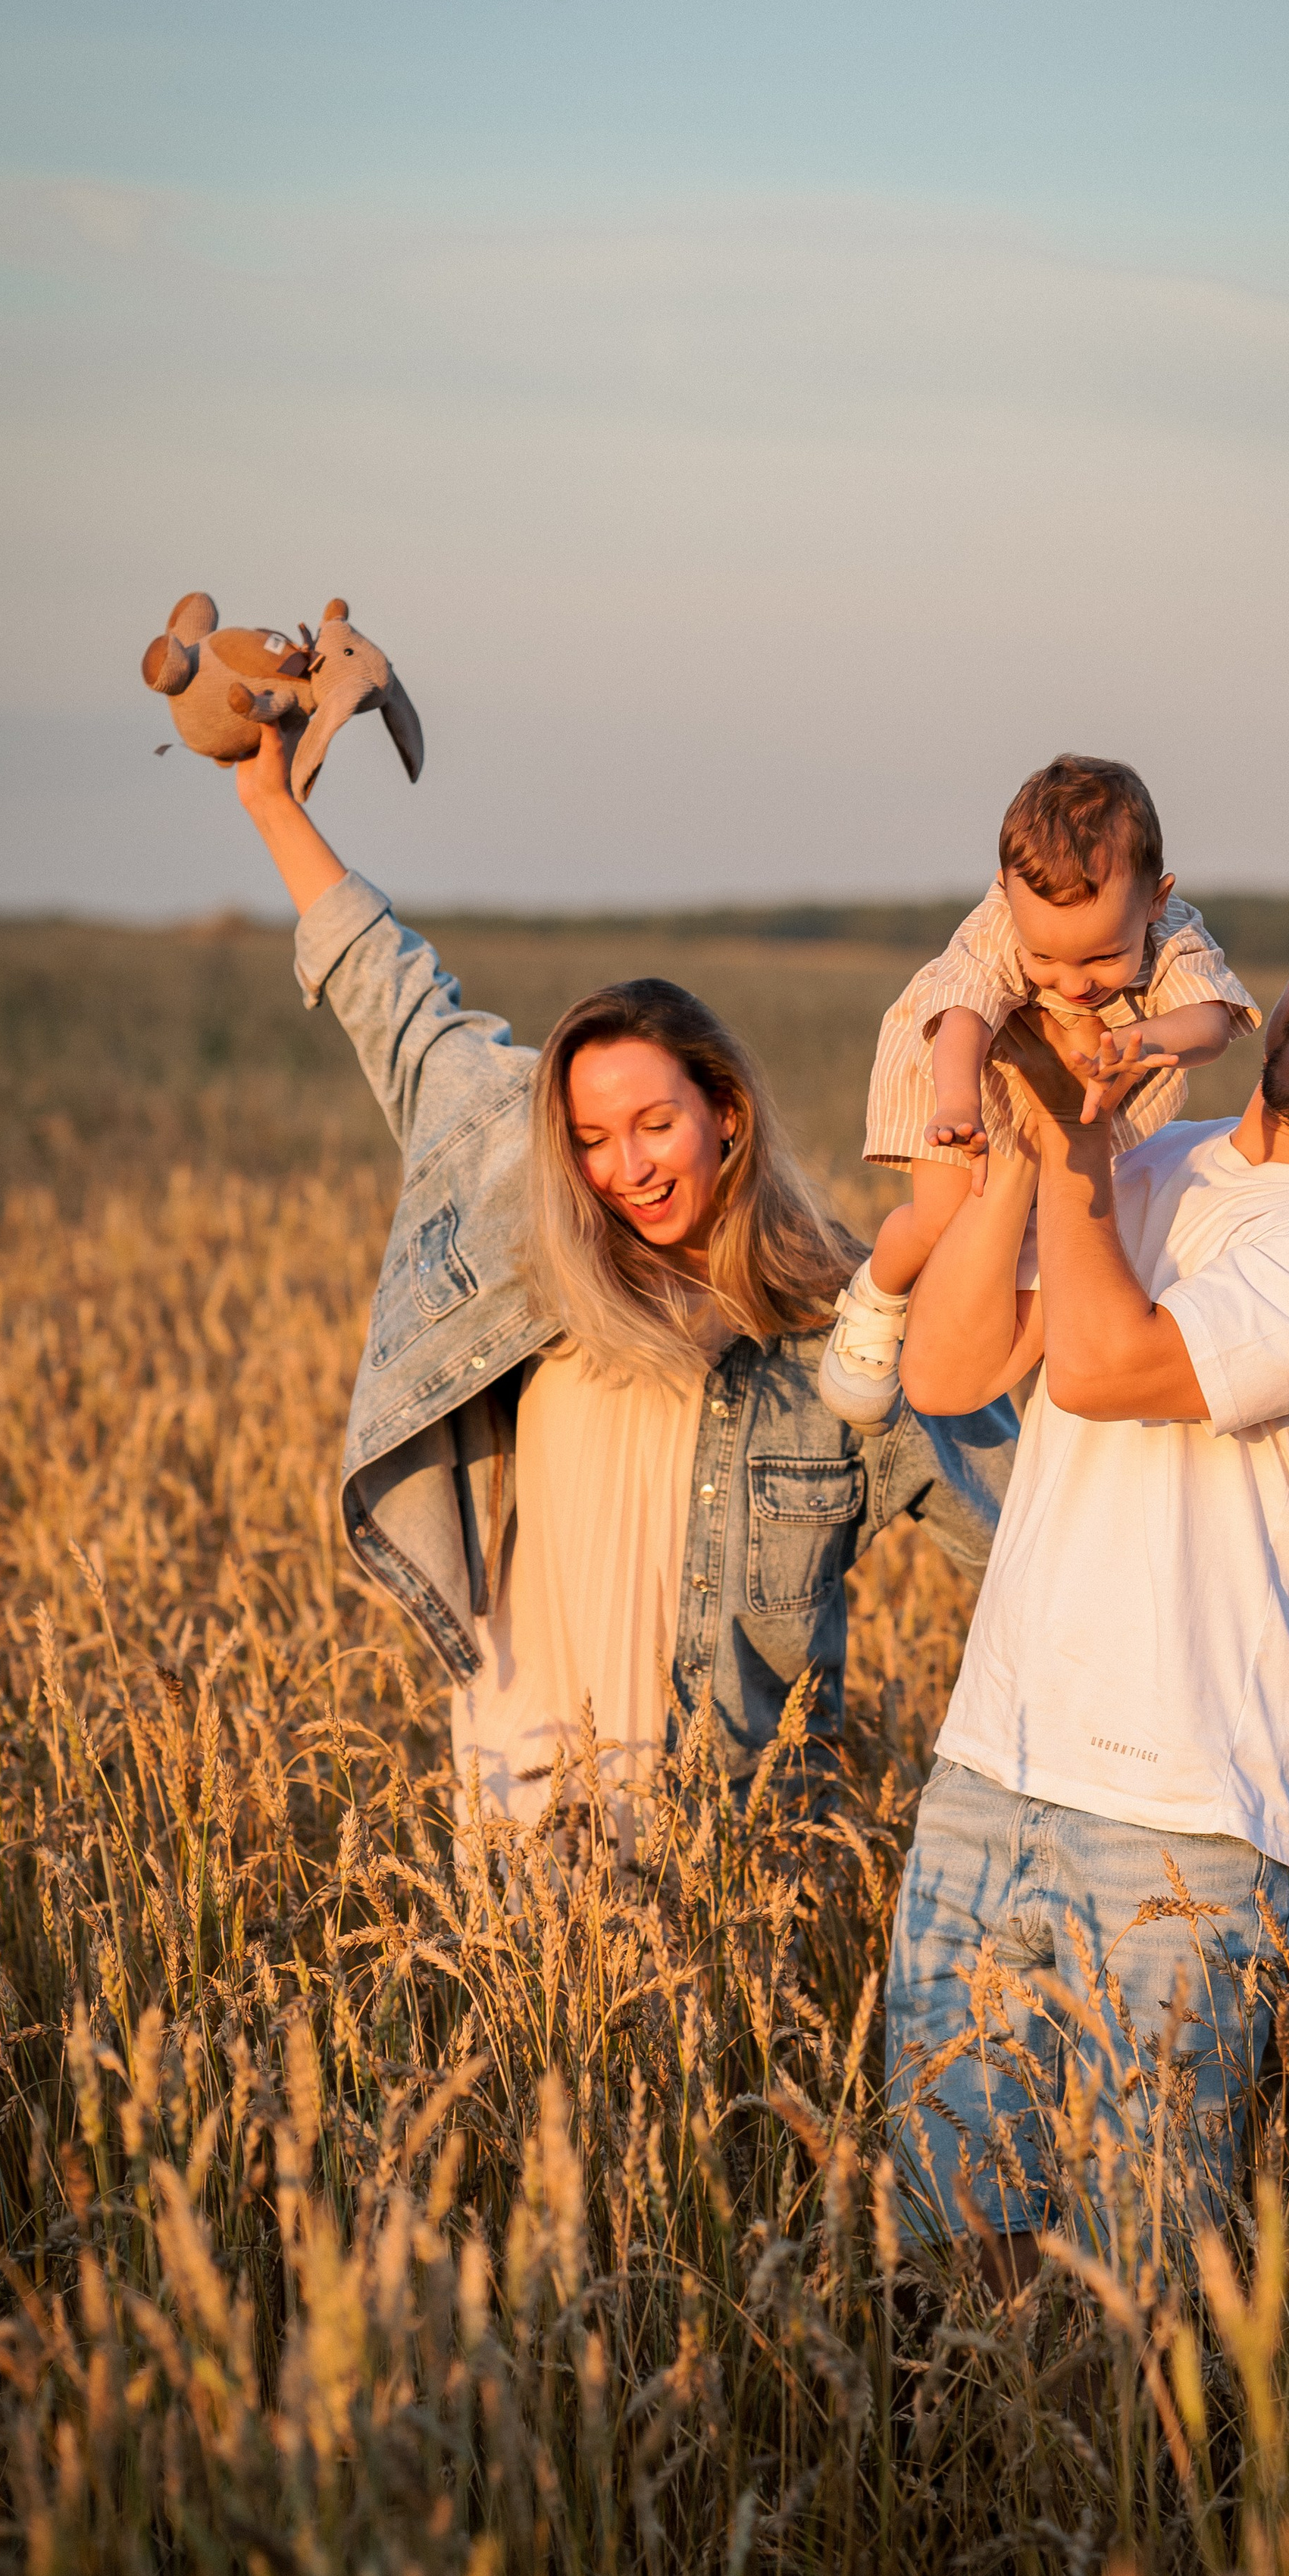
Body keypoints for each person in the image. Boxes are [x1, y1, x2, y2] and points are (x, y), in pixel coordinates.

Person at [888, 849, 1289, 2273]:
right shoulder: (1151, 1164)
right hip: (988, 1770)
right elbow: (948, 1374)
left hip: (1180, 1827)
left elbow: (1116, 1367)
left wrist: (1072, 1136)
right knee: (954, 2253)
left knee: (1137, 2284)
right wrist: (1028, 1129)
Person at [230, 726, 1019, 1862]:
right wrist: (270, 799)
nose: (628, 1165)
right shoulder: (532, 1247)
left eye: (657, 1124)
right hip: (522, 1793)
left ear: (724, 1112)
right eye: (593, 1137)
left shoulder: (837, 1319)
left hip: (728, 1831)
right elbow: (396, 1002)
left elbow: (1013, 1539)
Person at [818, 755, 1260, 1429]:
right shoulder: (1000, 922)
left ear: (1156, 901)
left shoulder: (1176, 937)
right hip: (961, 1076)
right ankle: (878, 1292)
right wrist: (958, 1101)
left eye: (1103, 958)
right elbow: (962, 1013)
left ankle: (979, 1349)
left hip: (1084, 1099)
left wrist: (1142, 1038)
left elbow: (1212, 1020)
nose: (1074, 982)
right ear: (1004, 890)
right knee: (943, 1221)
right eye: (1045, 958)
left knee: (1042, 1237)